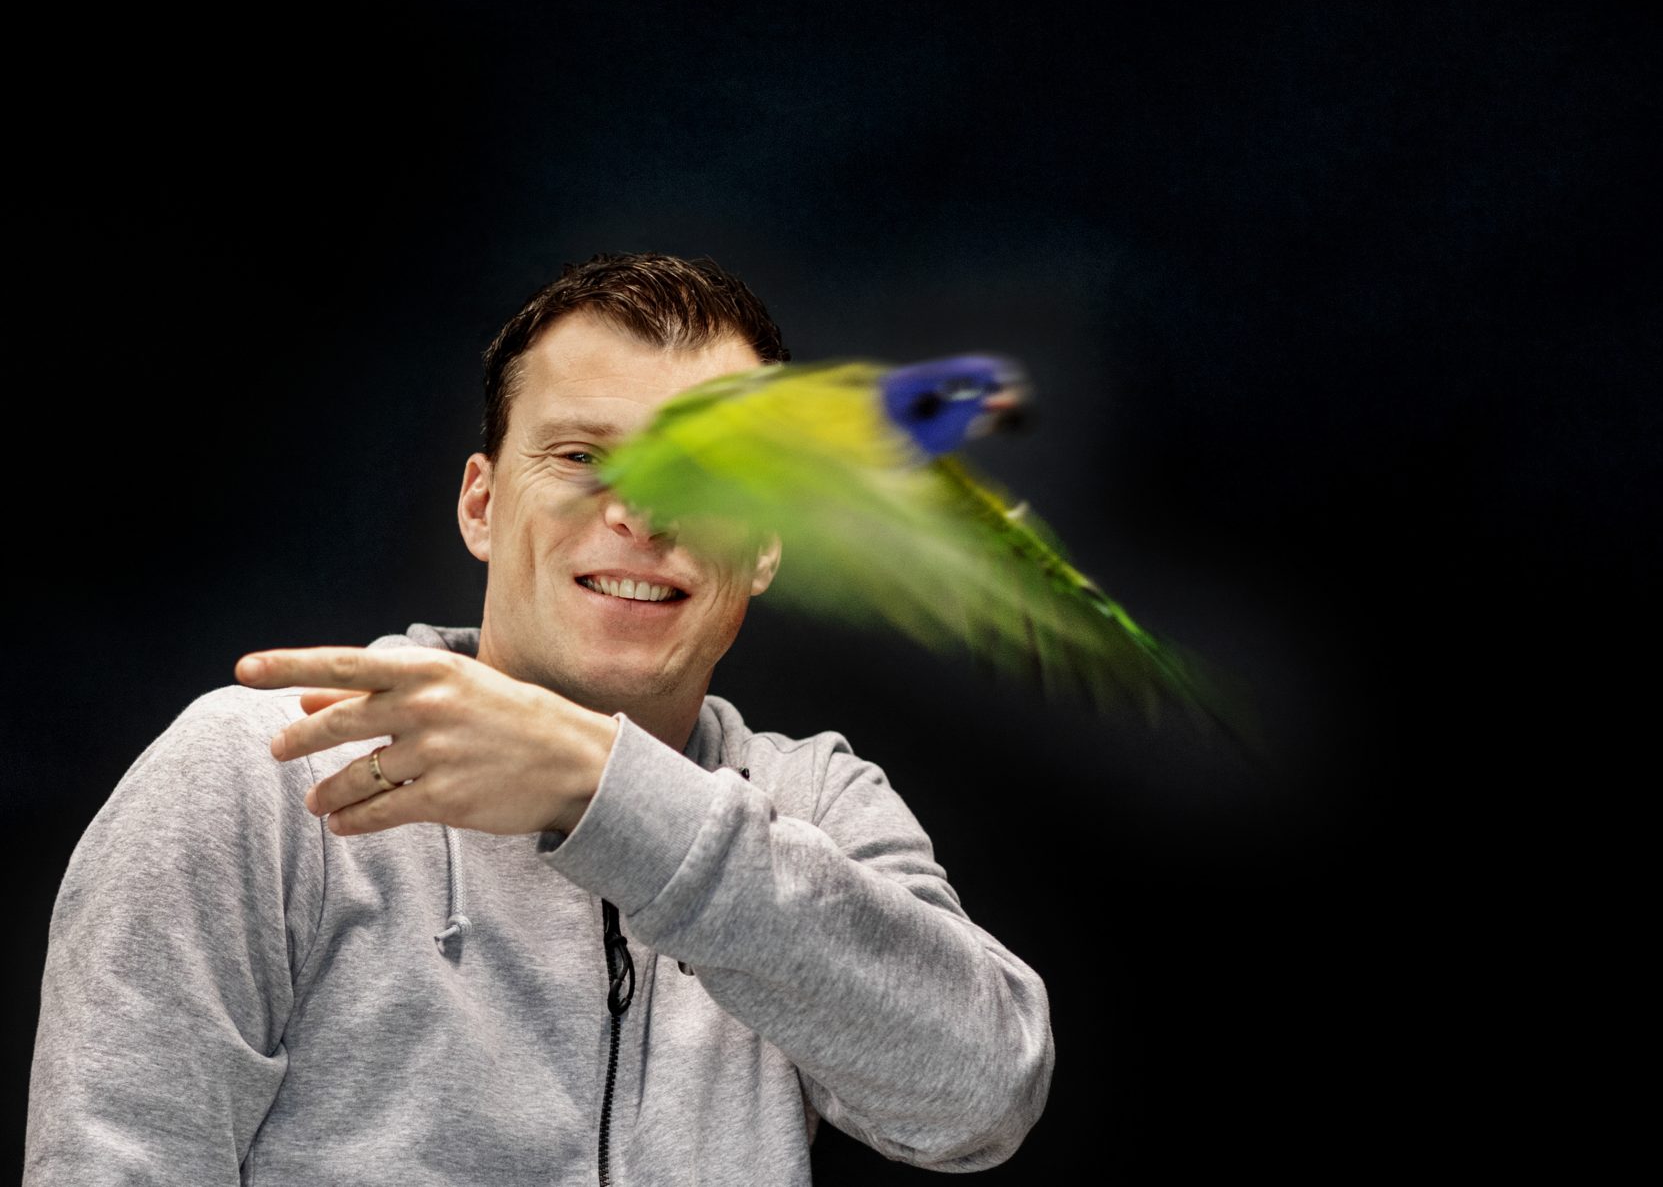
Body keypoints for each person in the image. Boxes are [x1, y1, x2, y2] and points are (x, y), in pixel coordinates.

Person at [25, 254, 1055, 1184]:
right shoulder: (266, 770)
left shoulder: (815, 801)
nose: (642, 515)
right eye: (578, 456)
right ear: (481, 505)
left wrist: (606, 794)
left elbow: (984, 1096)